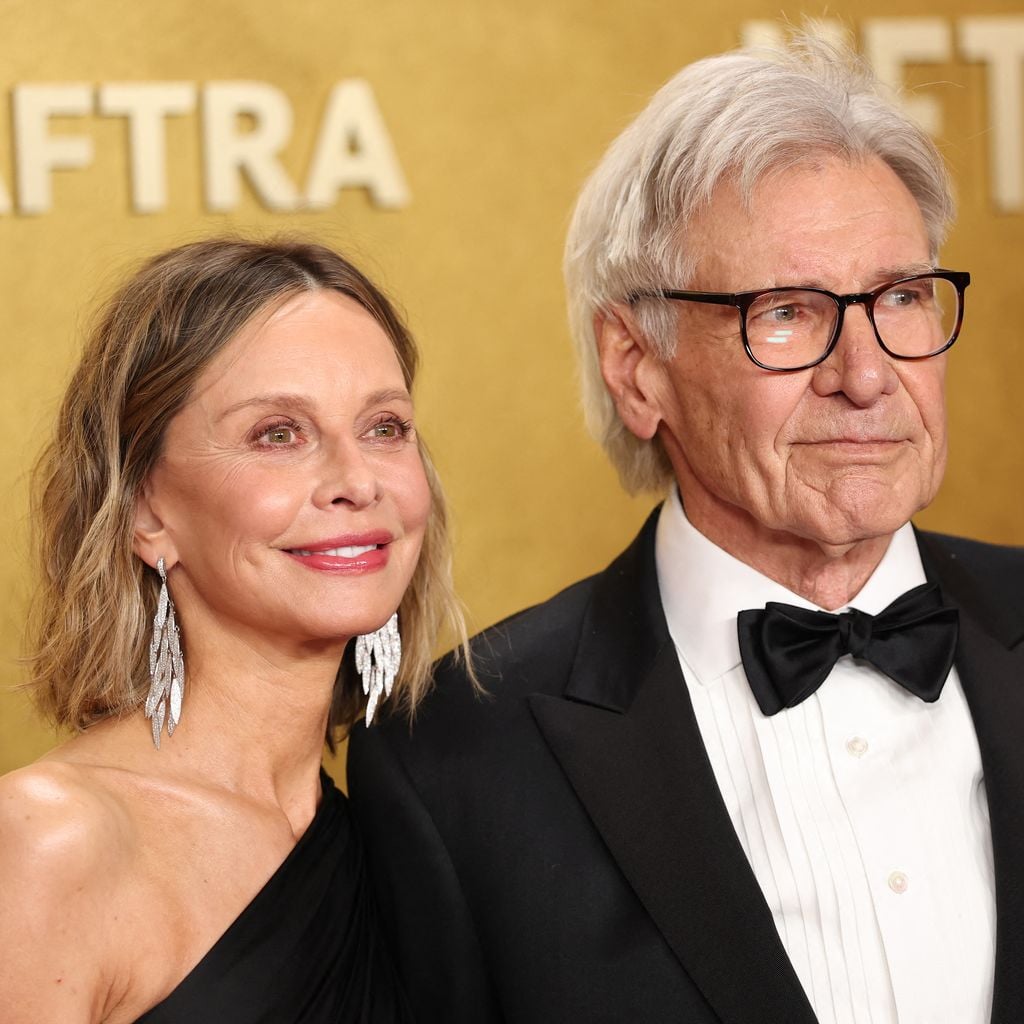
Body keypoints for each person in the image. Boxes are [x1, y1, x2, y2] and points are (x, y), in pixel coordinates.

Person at [348, 36, 1024, 1024]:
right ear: (636, 368)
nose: (867, 374)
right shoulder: (456, 758)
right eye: (787, 312)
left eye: (900, 299)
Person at [0, 238, 469, 1023]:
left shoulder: (416, 844)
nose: (357, 482)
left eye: (385, 427)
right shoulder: (50, 845)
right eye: (277, 434)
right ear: (146, 512)